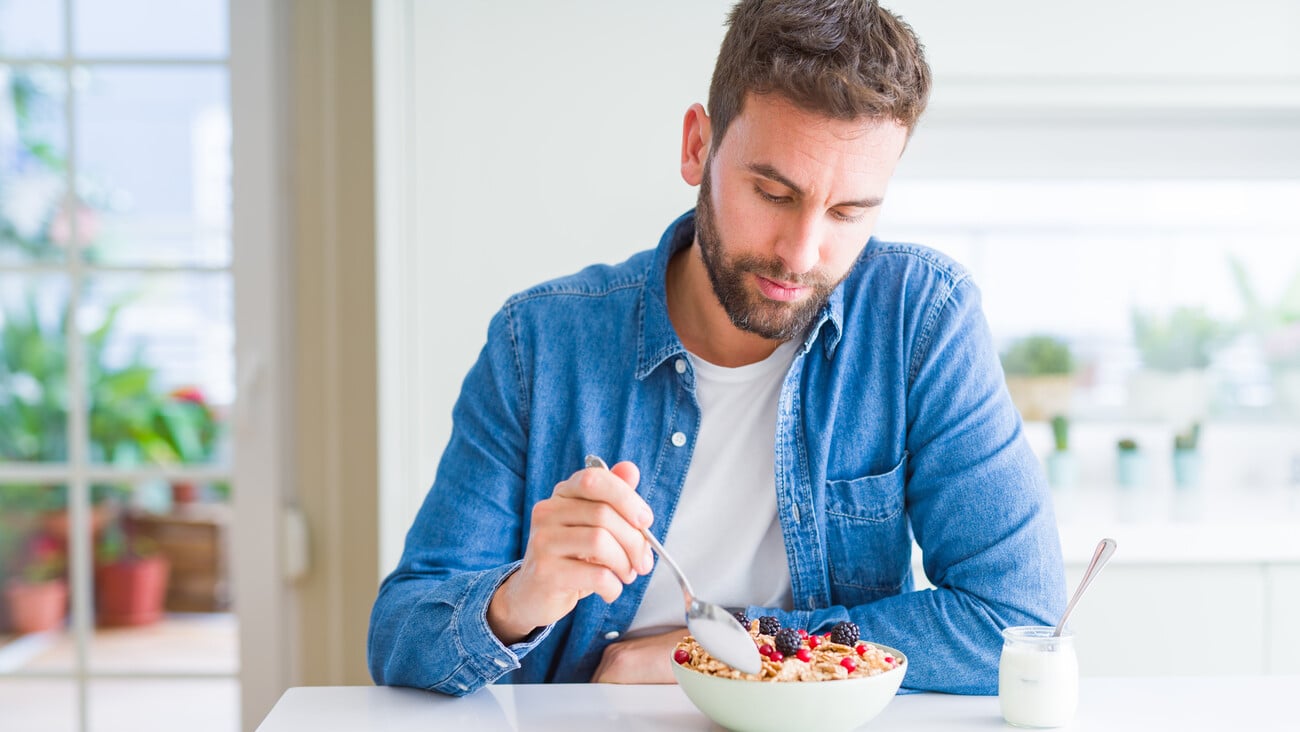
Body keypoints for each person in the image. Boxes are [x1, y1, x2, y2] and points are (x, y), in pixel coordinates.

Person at [368, 0, 1065, 697]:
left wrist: (733, 651)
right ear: (698, 146)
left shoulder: (920, 320)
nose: (802, 254)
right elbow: (400, 638)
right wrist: (519, 598)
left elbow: (1015, 617)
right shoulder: (540, 342)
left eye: (849, 211)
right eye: (772, 192)